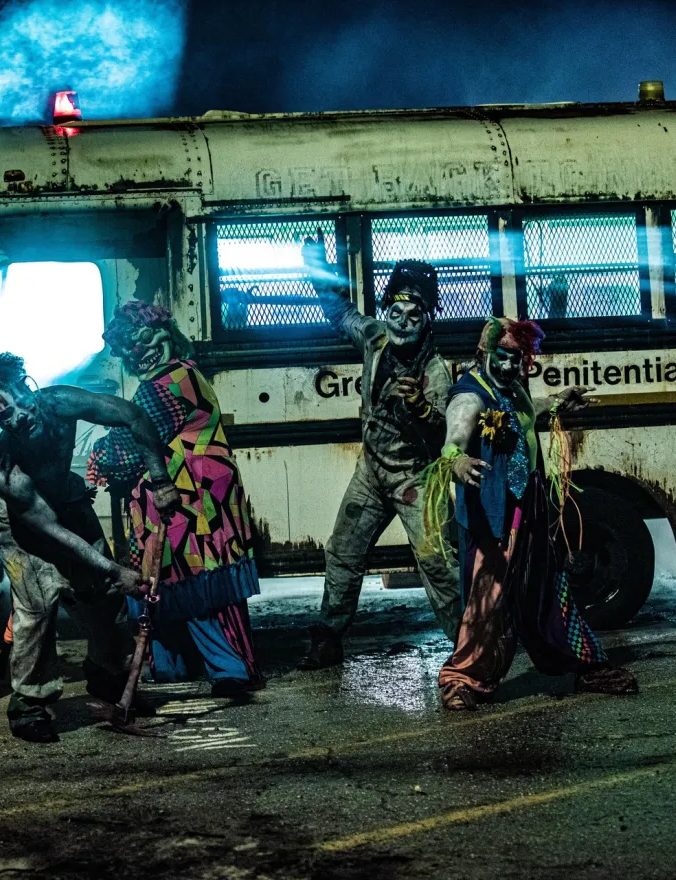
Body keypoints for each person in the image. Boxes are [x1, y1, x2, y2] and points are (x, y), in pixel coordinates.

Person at [0, 353, 180, 743]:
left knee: (105, 597)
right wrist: (114, 569)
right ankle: (30, 702)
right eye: (2, 416)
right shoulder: (7, 468)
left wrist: (161, 479)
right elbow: (49, 531)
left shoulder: (60, 401)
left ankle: (109, 677)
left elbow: (132, 415)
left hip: (64, 495)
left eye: (16, 405)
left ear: (27, 385)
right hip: (20, 518)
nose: (16, 419)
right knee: (39, 601)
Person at [429, 317, 638, 709]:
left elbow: (527, 411)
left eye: (518, 359)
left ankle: (586, 663)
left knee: (549, 591)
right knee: (486, 601)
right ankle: (461, 679)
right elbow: (453, 438)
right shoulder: (470, 395)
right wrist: (457, 461)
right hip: (495, 521)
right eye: (503, 357)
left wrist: (558, 400)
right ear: (483, 354)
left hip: (530, 514)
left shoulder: (509, 388)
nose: (510, 366)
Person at [297, 230, 459, 669]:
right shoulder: (374, 339)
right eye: (396, 310)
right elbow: (338, 309)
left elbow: (443, 431)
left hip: (414, 477)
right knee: (343, 553)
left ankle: (468, 645)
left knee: (438, 562)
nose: (403, 320)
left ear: (428, 319)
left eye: (414, 312)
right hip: (371, 473)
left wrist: (419, 407)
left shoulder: (435, 371)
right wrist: (315, 263)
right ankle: (328, 637)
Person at [88, 301, 263, 696]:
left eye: (147, 339)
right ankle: (172, 665)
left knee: (181, 586)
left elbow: (127, 449)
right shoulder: (188, 373)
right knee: (169, 589)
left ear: (166, 330)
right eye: (131, 349)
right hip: (201, 504)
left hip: (181, 507)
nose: (143, 351)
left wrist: (101, 452)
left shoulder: (161, 386)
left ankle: (225, 669)